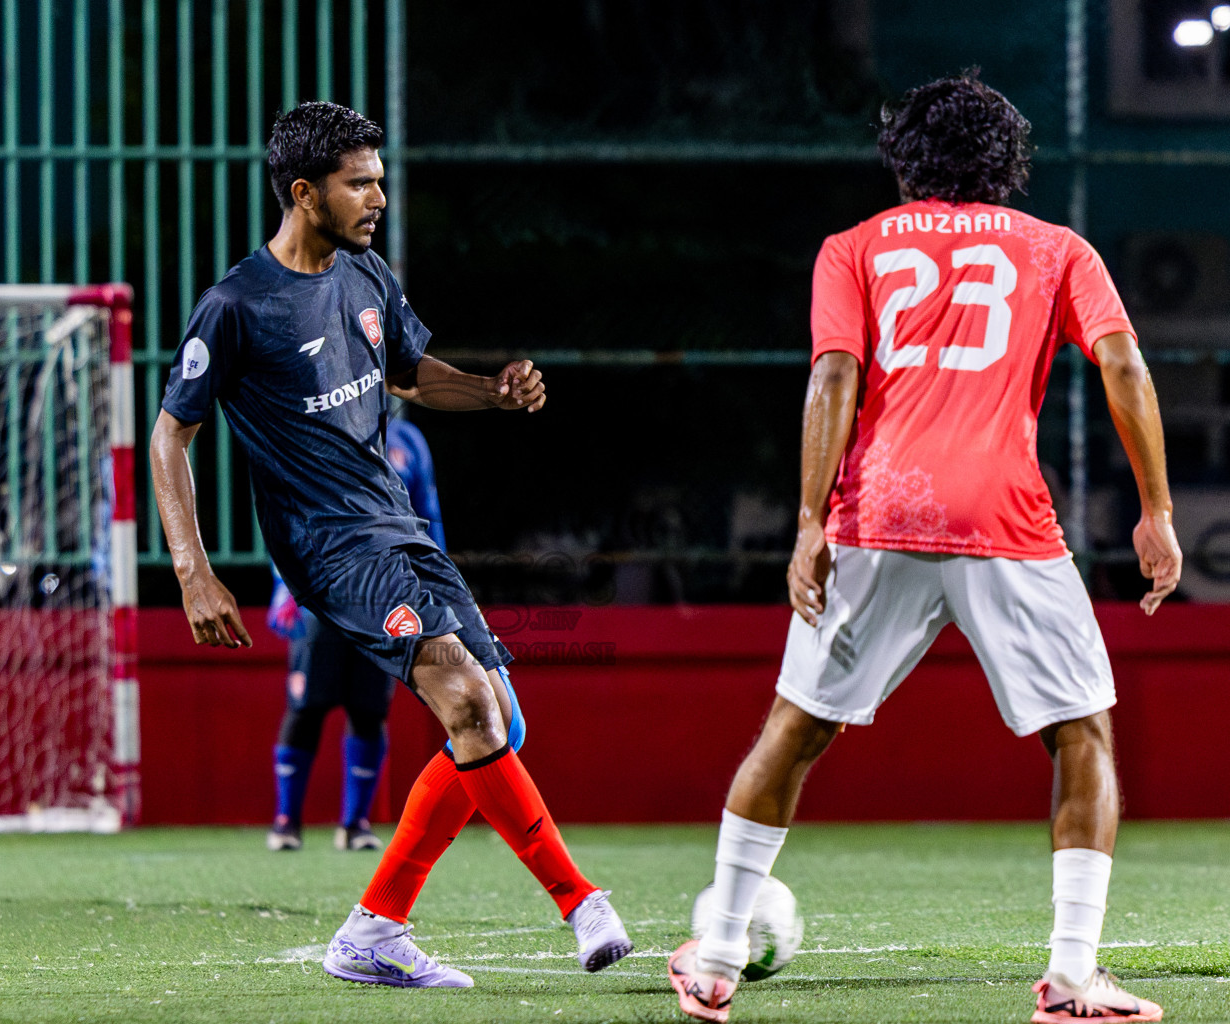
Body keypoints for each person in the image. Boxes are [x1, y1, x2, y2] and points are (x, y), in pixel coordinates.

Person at [668, 75, 1181, 1024]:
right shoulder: (1057, 248)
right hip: (1007, 519)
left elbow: (833, 374)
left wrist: (810, 522)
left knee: (796, 727)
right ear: (1008, 161)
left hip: (878, 512)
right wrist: (1154, 508)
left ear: (903, 157)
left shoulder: (853, 247)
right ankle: (1071, 978)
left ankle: (719, 956)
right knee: (1081, 734)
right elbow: (1123, 364)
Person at [151, 100, 632, 989]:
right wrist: (194, 573)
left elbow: (411, 375)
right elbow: (169, 437)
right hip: (332, 548)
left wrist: (489, 392)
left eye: (380, 178)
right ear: (305, 192)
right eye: (359, 182)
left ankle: (374, 929)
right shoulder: (235, 306)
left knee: (500, 721)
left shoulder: (367, 274)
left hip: (397, 525)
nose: (379, 195)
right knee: (467, 702)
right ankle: (580, 901)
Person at [266, 416, 447, 853]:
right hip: (321, 589)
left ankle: (355, 824)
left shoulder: (409, 440)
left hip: (383, 595)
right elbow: (287, 509)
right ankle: (287, 822)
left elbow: (428, 515)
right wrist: (282, 582)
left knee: (369, 709)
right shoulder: (317, 423)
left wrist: (438, 581)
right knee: (307, 706)